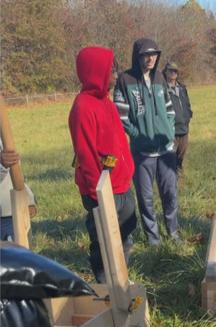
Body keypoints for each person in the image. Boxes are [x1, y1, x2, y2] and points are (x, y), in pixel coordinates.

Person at [68, 46, 137, 283]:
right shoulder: (83, 107)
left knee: (125, 235)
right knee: (104, 241)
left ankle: (122, 280)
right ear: (95, 72)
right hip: (102, 189)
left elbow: (116, 140)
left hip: (121, 184)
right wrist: (99, 194)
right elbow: (86, 156)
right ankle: (107, 289)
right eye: (110, 71)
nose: (115, 76)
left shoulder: (105, 101)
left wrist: (126, 172)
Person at [114, 38, 179, 246]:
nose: (151, 58)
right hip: (142, 153)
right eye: (145, 54)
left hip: (166, 149)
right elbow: (120, 114)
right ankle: (153, 238)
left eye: (154, 54)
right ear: (138, 56)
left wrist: (169, 131)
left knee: (170, 194)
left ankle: (173, 232)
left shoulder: (160, 77)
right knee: (146, 198)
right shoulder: (125, 80)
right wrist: (137, 135)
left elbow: (169, 108)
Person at [0, 143, 36, 241]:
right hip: (4, 218)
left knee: (21, 253)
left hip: (13, 210)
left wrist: (28, 199)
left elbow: (13, 172)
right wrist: (2, 166)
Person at [162, 62, 193, 174]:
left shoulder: (182, 88)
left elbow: (187, 105)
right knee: (171, 157)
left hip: (184, 128)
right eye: (171, 70)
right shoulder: (162, 89)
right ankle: (171, 178)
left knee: (181, 156)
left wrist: (188, 116)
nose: (173, 73)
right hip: (171, 130)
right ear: (165, 72)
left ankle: (180, 176)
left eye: (175, 71)